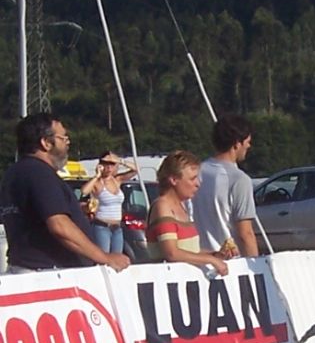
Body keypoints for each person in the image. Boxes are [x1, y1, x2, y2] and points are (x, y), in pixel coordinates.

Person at [0, 113, 130, 273]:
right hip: (48, 273)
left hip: (26, 268)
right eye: (64, 138)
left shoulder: (14, 172)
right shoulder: (40, 173)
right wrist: (104, 257)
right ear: (46, 143)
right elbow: (59, 226)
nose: (68, 143)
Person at [146, 151, 230, 275]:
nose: (198, 184)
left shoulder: (181, 206)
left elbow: (189, 251)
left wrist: (216, 255)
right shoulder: (162, 206)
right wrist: (211, 260)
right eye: (192, 179)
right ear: (174, 180)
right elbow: (172, 253)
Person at [194, 114, 258, 259]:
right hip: (227, 260)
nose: (249, 146)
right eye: (247, 142)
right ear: (237, 143)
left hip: (196, 258)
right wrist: (256, 264)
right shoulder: (239, 179)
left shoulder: (195, 172)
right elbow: (245, 233)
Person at [81, 150, 138, 254]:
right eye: (106, 164)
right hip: (102, 226)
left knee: (117, 256)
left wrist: (119, 160)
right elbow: (84, 191)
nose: (109, 167)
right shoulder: (98, 183)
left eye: (112, 164)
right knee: (104, 256)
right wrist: (97, 175)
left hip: (117, 227)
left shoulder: (117, 180)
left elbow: (136, 169)